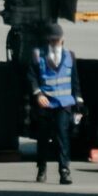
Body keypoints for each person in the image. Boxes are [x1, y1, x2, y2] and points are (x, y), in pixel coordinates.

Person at [32, 22, 81, 185]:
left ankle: (64, 170)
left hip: (64, 103)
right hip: (46, 103)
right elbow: (31, 77)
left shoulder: (70, 56)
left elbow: (75, 81)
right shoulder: (38, 56)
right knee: (43, 136)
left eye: (58, 40)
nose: (55, 43)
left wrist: (79, 102)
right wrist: (38, 93)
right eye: (52, 40)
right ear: (48, 40)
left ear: (63, 39)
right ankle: (42, 167)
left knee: (63, 135)